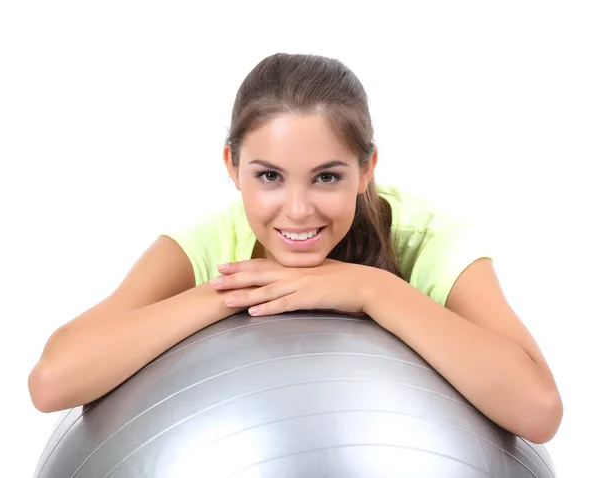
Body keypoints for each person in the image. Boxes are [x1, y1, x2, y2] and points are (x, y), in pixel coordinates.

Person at [28, 52, 563, 444]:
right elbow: (53, 382)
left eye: (327, 177)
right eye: (270, 176)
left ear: (366, 170)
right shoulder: (209, 240)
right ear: (232, 168)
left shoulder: (428, 241)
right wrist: (230, 294)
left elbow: (538, 412)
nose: (299, 209)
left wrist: (370, 289)